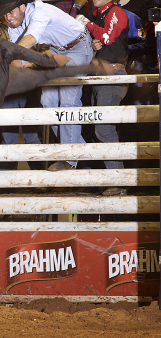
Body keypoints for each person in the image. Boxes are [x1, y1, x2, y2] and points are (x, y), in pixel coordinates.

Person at [0, 0, 93, 171]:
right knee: (47, 101)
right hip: (59, 50)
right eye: (5, 13)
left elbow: (30, 39)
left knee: (68, 100)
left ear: (22, 6)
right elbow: (17, 61)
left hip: (79, 46)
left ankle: (69, 159)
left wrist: (6, 56)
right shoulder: (14, 25)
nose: (8, 17)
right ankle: (85, 154)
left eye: (11, 12)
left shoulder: (40, 11)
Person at [77, 0, 128, 196]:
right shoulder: (101, 15)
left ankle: (118, 181)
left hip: (111, 76)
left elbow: (107, 36)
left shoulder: (115, 11)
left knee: (103, 128)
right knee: (98, 128)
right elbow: (104, 40)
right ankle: (112, 180)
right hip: (101, 77)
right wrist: (93, 45)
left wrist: (86, 23)